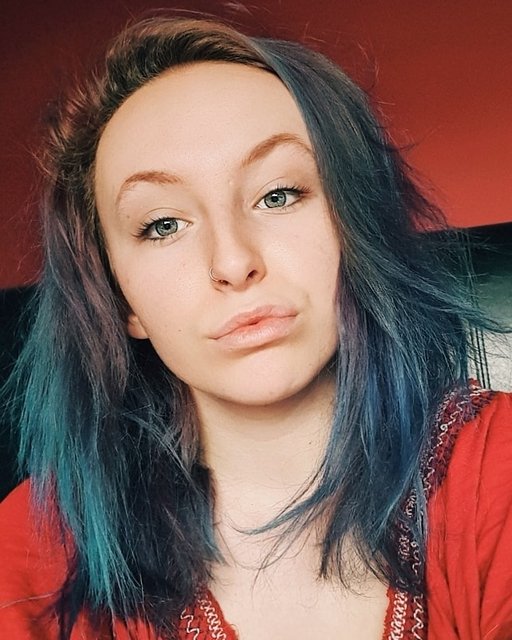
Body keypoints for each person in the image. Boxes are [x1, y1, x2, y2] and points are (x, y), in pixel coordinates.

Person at [0, 15, 511, 640]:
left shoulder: (496, 466)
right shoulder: (32, 547)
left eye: (278, 195)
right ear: (122, 300)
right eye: (163, 225)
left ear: (357, 226)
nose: (234, 262)